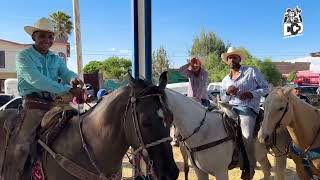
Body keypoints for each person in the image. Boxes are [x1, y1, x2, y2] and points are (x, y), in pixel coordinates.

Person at [5, 17, 84, 179]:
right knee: (21, 146)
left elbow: (66, 72)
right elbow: (37, 80)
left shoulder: (56, 58)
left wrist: (74, 79)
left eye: (50, 37)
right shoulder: (23, 56)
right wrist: (68, 89)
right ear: (33, 37)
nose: (46, 40)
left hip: (56, 104)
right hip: (34, 105)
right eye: (42, 36)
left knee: (82, 129)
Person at [220, 47, 269, 179]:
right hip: (230, 108)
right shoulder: (225, 80)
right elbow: (223, 98)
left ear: (239, 59)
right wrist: (227, 93)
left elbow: (266, 88)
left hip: (248, 109)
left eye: (234, 57)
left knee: (246, 135)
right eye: (229, 58)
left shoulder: (251, 71)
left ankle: (249, 167)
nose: (232, 59)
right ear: (227, 61)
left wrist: (251, 94)